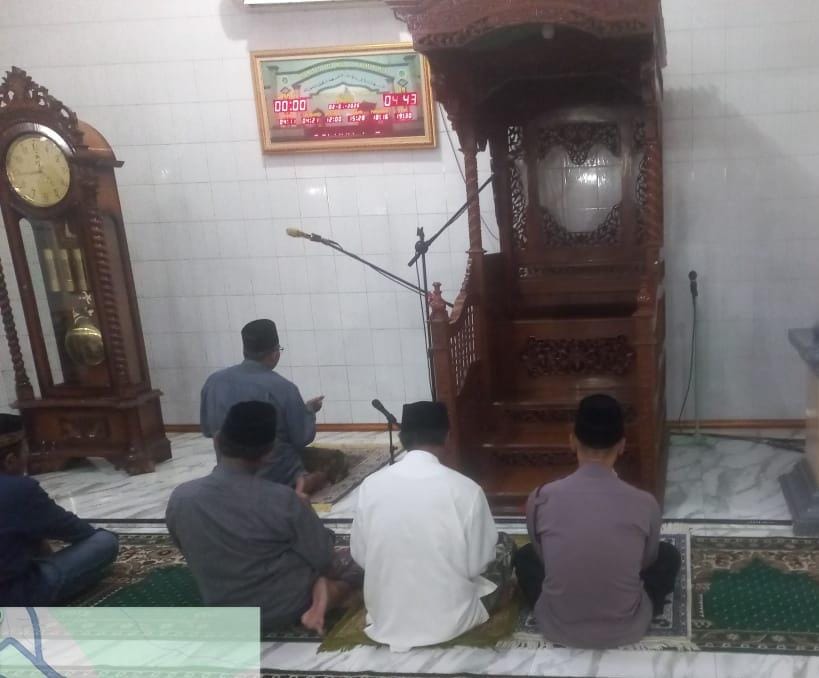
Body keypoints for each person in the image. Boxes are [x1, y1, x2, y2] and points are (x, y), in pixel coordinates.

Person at [167, 401, 361, 634]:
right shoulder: (283, 499)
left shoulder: (182, 498)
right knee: (360, 558)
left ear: (217, 441)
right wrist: (306, 513)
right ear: (269, 454)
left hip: (224, 609)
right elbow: (323, 559)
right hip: (285, 608)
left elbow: (185, 547)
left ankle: (324, 591)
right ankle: (328, 594)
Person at [514, 394, 681, 649]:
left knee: (525, 557)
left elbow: (543, 556)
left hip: (558, 626)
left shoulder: (540, 497)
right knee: (668, 556)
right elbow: (646, 561)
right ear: (622, 445)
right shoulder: (645, 502)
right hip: (627, 628)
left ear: (572, 441)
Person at [350, 401, 514, 652]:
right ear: (447, 438)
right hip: (450, 621)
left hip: (386, 619)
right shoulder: (466, 489)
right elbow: (478, 564)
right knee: (505, 546)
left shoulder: (370, 486)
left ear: (402, 438)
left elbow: (361, 556)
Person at [200, 318, 345, 494]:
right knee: (334, 462)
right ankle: (303, 483)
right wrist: (309, 412)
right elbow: (302, 437)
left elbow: (208, 430)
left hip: (231, 474)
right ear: (275, 353)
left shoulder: (214, 382)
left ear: (245, 350)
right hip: (275, 477)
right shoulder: (283, 388)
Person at [0, 444, 119, 604]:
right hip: (13, 596)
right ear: (10, 460)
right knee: (105, 540)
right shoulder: (19, 489)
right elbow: (80, 532)